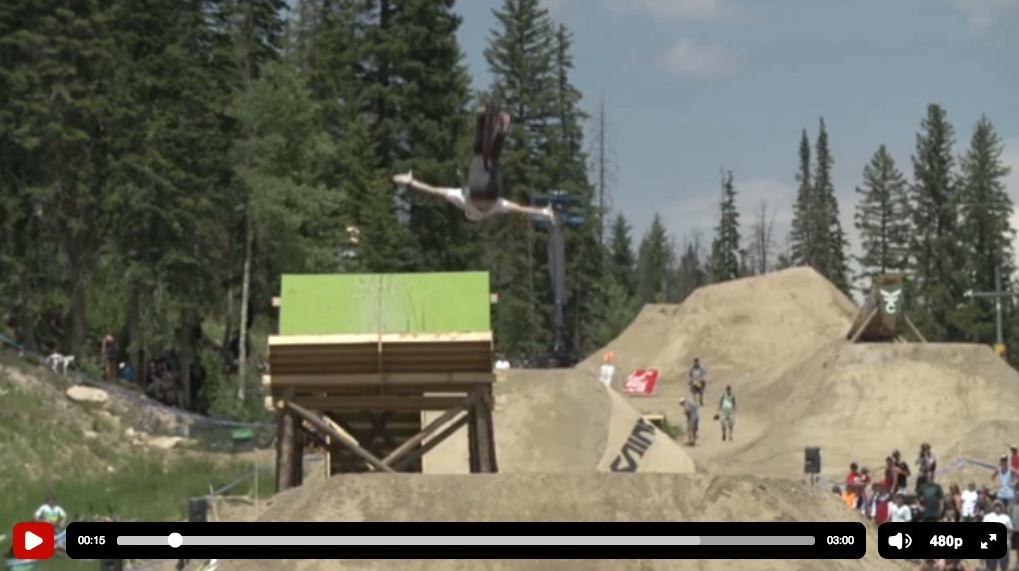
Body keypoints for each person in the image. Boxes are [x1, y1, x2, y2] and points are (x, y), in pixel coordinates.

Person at [392, 103, 556, 224]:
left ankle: (502, 132)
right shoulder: (462, 202)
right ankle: (481, 118)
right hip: (476, 189)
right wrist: (411, 182)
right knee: (479, 155)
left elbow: (519, 208)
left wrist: (543, 211)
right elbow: (435, 191)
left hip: (490, 195)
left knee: (493, 159)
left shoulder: (493, 210)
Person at [983, 500, 1013, 571]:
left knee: (1004, 565)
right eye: (996, 506)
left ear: (1001, 507)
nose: (997, 508)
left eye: (999, 506)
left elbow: (1011, 529)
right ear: (993, 507)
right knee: (991, 566)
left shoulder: (1006, 517)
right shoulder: (988, 517)